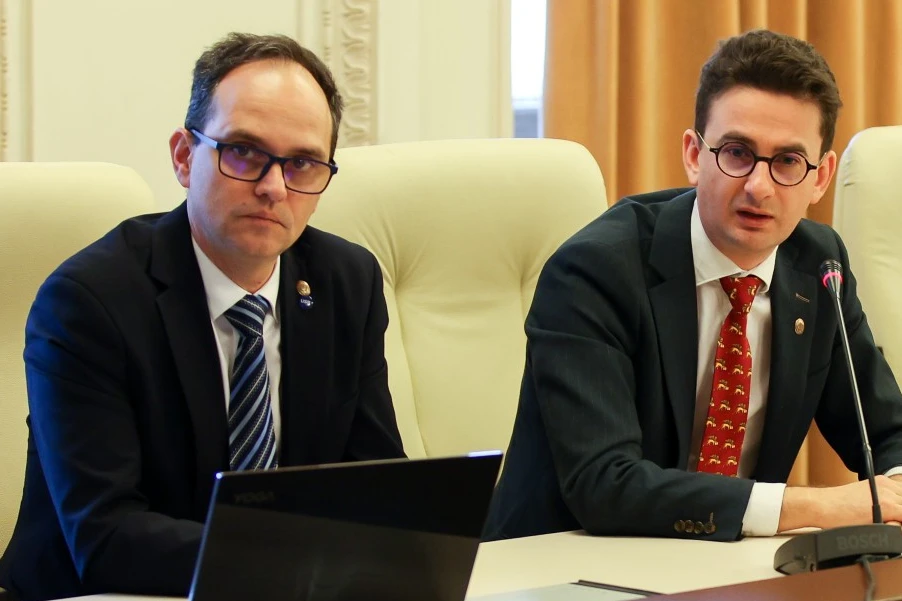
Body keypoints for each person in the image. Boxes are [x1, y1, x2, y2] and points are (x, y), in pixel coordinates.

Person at [0, 32, 405, 601]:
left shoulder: (347, 281)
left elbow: (376, 484)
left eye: (302, 164)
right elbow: (105, 535)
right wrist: (297, 555)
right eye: (244, 151)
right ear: (184, 157)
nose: (274, 188)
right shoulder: (88, 300)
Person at [484, 29, 902, 543]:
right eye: (737, 152)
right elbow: (604, 484)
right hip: (564, 564)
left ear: (820, 178)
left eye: (788, 162)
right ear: (693, 154)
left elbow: (886, 430)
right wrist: (816, 505)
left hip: (731, 565)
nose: (759, 186)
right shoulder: (595, 269)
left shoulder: (819, 266)